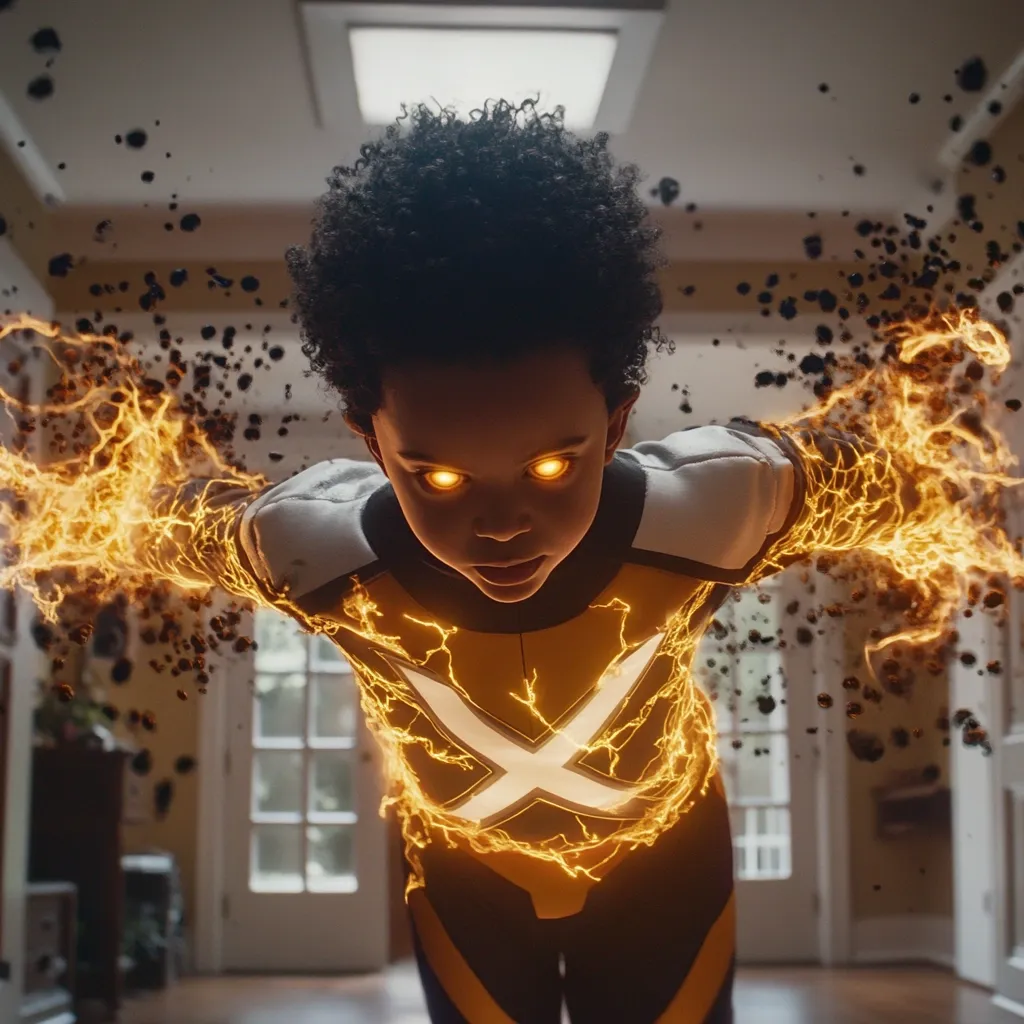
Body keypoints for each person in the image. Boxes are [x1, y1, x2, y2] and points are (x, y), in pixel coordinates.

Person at [165, 100, 915, 1023]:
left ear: (617, 422)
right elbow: (150, 523)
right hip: (464, 878)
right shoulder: (307, 546)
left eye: (552, 466)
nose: (501, 527)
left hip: (666, 871)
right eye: (439, 477)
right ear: (370, 440)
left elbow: (907, 478)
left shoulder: (719, 503)